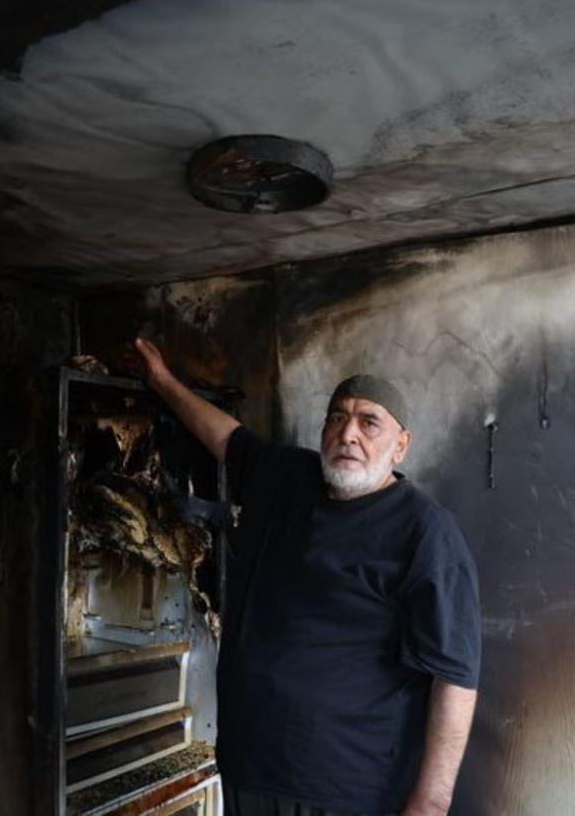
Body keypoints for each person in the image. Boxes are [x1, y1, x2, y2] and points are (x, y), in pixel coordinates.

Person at [134, 338, 481, 816]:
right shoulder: (289, 478)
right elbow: (227, 440)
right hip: (251, 772)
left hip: (347, 791)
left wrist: (432, 803)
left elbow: (454, 677)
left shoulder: (425, 534)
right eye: (337, 418)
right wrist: (162, 382)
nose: (348, 433)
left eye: (369, 422)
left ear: (401, 446)